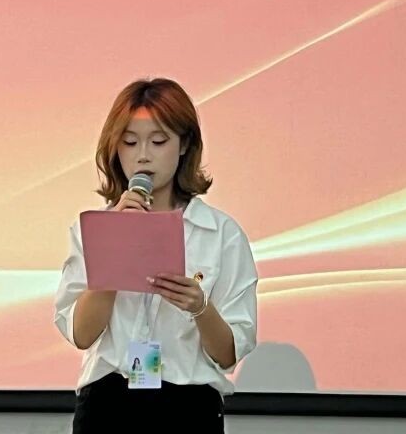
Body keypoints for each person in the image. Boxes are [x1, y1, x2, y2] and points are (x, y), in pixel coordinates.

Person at [54, 78, 259, 434]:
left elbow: (228, 353)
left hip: (188, 408)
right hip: (108, 405)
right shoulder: (94, 229)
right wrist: (113, 247)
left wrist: (200, 307)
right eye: (129, 142)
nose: (143, 155)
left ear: (184, 145)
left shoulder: (221, 234)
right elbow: (82, 335)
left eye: (159, 141)